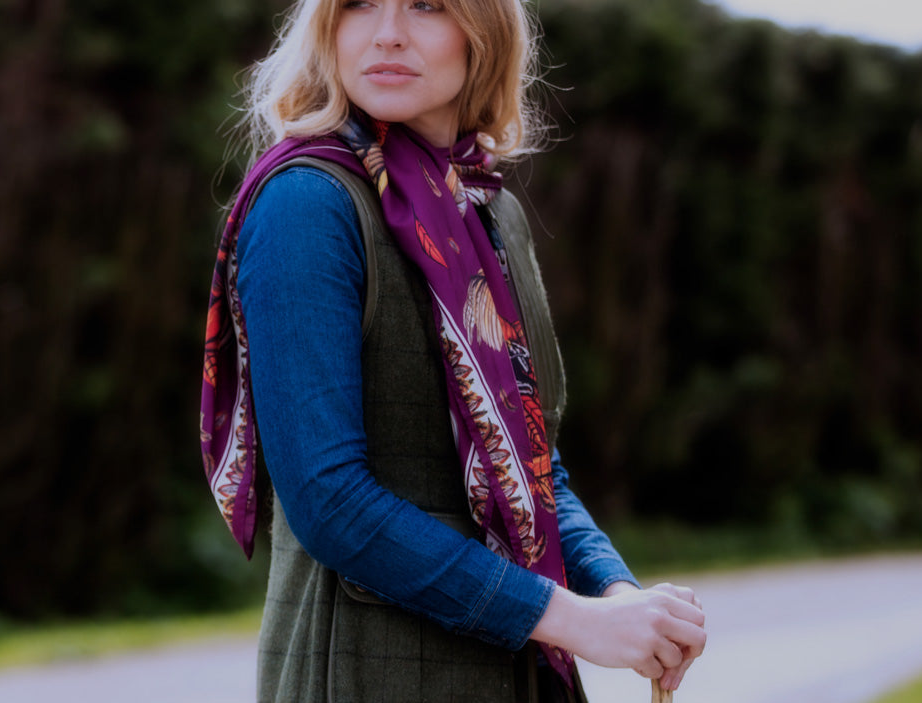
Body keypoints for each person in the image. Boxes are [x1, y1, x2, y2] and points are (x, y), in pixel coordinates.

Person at [197, 1, 707, 701]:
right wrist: (571, 619)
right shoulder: (306, 204)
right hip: (364, 675)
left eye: (427, 5)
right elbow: (328, 501)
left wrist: (618, 595)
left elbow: (532, 465)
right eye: (359, 4)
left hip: (518, 675)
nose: (387, 34)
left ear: (484, 33)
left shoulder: (489, 210)